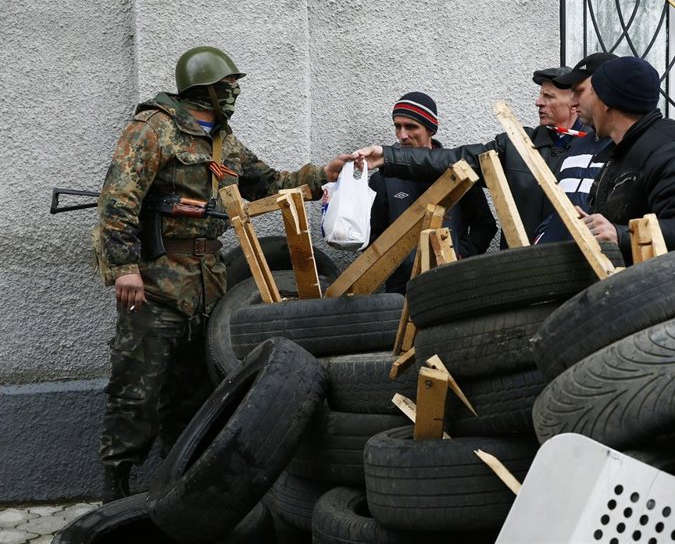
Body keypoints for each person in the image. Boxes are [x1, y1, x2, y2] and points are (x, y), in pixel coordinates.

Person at [93, 46, 333, 502]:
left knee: (194, 394)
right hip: (158, 284)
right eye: (227, 85)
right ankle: (115, 494)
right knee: (136, 390)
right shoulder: (153, 128)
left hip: (208, 284)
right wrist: (125, 268)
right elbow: (118, 200)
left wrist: (325, 174)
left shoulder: (224, 141)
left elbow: (269, 183)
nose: (234, 92)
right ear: (202, 87)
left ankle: (176, 492)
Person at [328, 65, 598, 245]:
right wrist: (388, 157)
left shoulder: (597, 147)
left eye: (548, 96)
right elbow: (450, 160)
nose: (538, 102)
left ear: (573, 102)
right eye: (540, 95)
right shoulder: (517, 143)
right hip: (520, 272)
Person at [575, 56, 675, 264]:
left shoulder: (674, 151)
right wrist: (594, 227)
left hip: (672, 282)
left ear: (606, 102)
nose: (584, 103)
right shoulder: (626, 148)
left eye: (591, 94)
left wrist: (621, 236)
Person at [368, 92, 496, 293]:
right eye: (397, 126)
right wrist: (397, 267)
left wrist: (461, 256)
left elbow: (485, 226)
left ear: (431, 129)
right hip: (402, 289)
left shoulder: (459, 172)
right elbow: (374, 236)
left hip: (453, 284)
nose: (402, 135)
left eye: (411, 126)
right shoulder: (382, 178)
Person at [533, 52, 618, 243]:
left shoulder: (637, 147)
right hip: (555, 259)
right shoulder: (578, 147)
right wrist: (539, 242)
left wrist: (621, 236)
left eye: (579, 92)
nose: (573, 102)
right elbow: (560, 214)